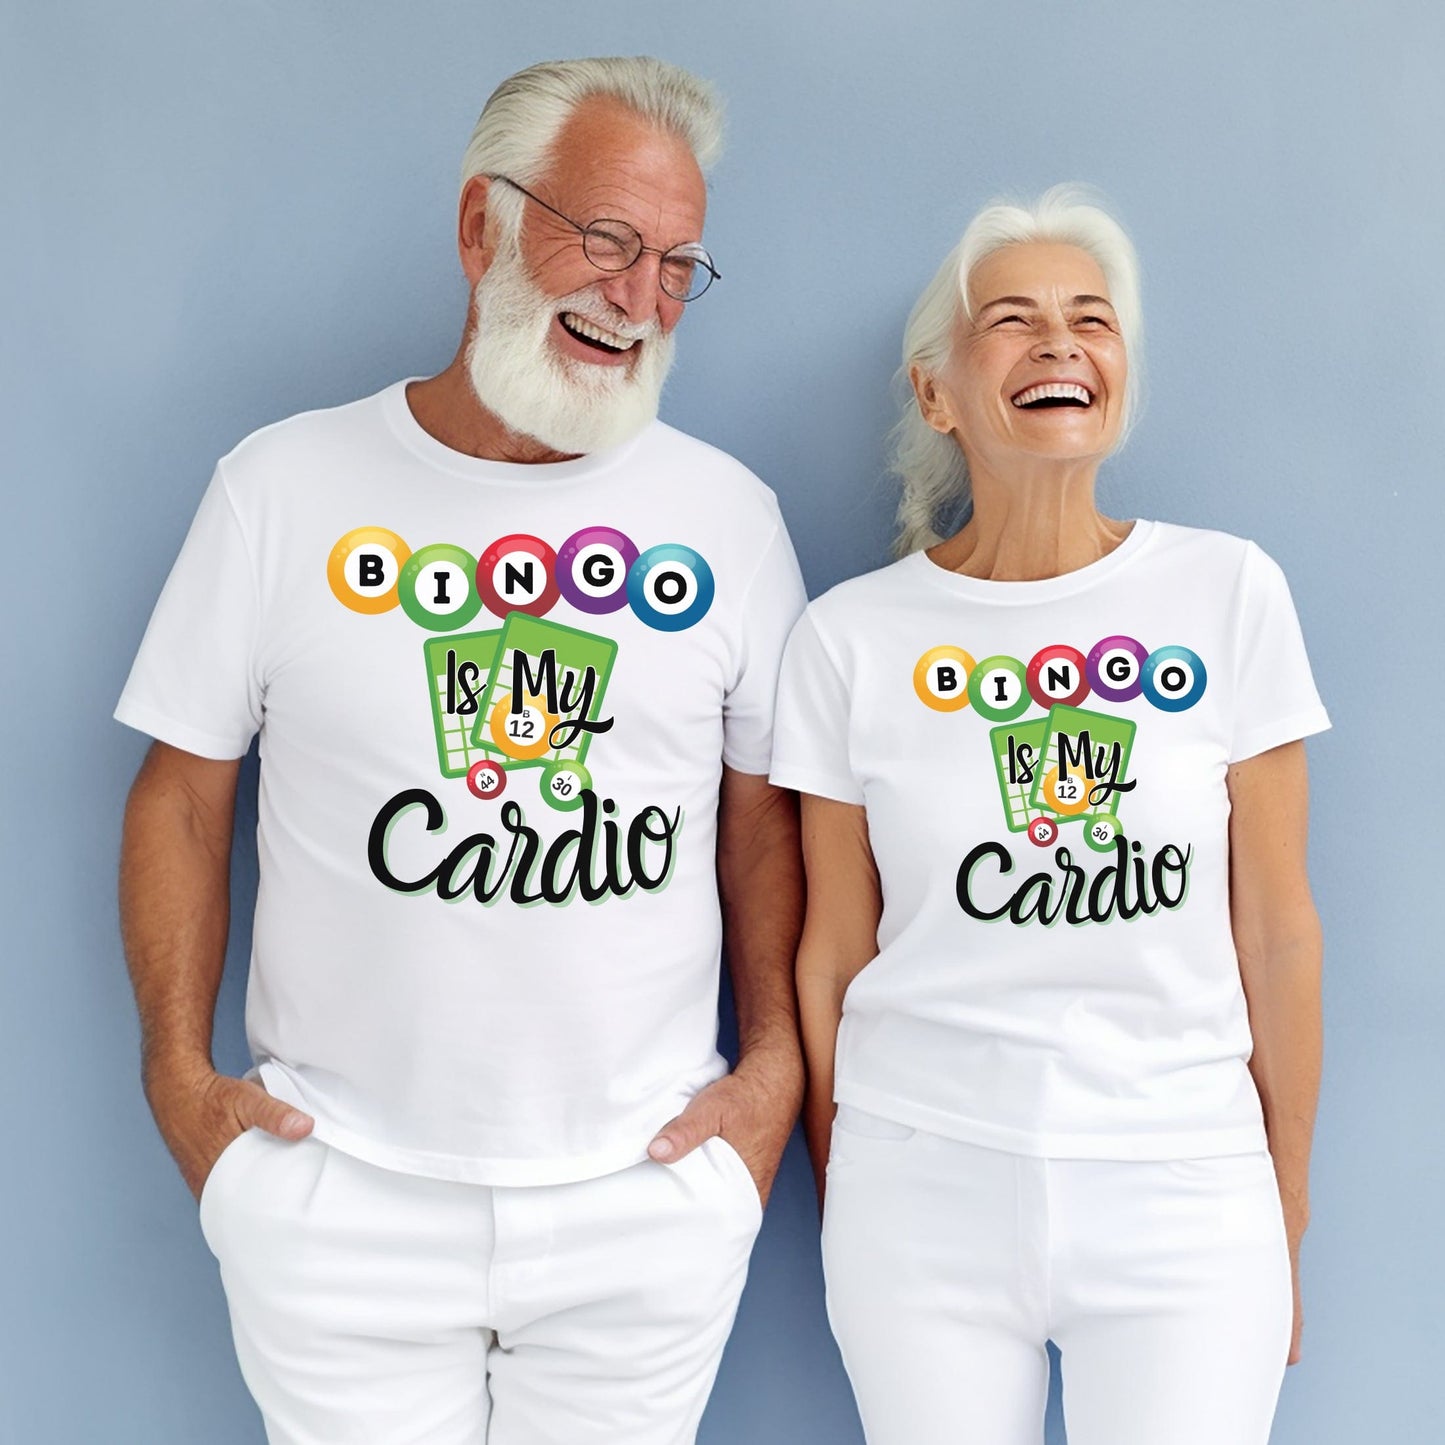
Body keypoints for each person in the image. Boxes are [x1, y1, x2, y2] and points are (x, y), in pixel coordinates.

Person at [115, 55, 806, 1445]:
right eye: (605, 238)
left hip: (644, 1195)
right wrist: (179, 1085)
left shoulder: (727, 518)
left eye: (678, 263)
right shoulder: (281, 489)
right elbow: (183, 795)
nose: (637, 297)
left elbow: (764, 825)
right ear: (479, 223)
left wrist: (775, 1071)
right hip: (336, 1191)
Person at [770, 185, 1329, 1445]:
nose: (1059, 342)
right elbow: (831, 952)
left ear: (1121, 372)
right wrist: (843, 1179)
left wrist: (1281, 1200)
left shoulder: (1225, 591)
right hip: (918, 1183)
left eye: (1091, 318)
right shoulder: (847, 639)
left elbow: (1278, 931)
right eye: (1010, 321)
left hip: (1185, 1184)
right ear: (937, 394)